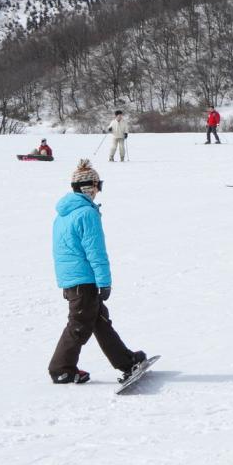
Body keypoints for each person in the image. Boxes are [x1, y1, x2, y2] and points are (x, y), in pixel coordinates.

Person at [48, 159, 145, 384]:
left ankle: (127, 361)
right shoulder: (86, 213)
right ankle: (61, 369)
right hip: (84, 279)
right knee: (79, 325)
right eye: (98, 185)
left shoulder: (63, 214)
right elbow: (95, 251)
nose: (98, 190)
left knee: (99, 321)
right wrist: (104, 281)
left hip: (72, 279)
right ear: (89, 187)